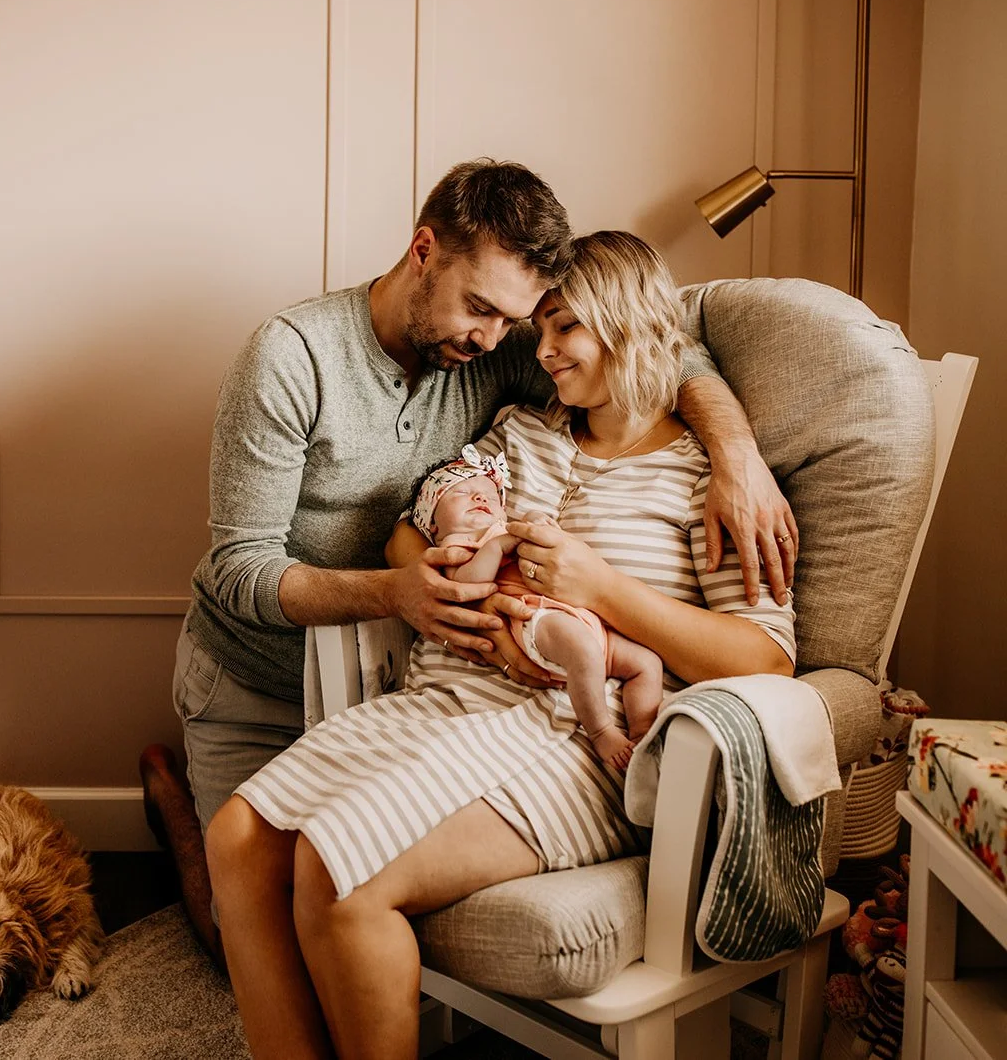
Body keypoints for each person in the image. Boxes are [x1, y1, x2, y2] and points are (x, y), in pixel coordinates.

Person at [138, 160, 798, 965]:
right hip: (256, 669)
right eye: (481, 307)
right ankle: (169, 802)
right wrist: (399, 589)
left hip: (384, 671)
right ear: (423, 251)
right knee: (230, 927)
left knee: (319, 901)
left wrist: (736, 453)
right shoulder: (291, 356)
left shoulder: (504, 346)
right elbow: (238, 571)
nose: (495, 337)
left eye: (512, 320)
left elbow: (662, 353)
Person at [410, 447, 662, 768]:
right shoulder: (455, 546)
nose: (479, 498)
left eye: (488, 494)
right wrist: (497, 547)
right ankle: (601, 731)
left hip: (582, 619)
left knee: (646, 662)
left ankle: (643, 731)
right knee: (583, 652)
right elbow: (467, 586)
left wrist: (534, 522)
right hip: (534, 620)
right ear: (433, 524)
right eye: (462, 493)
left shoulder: (503, 528)